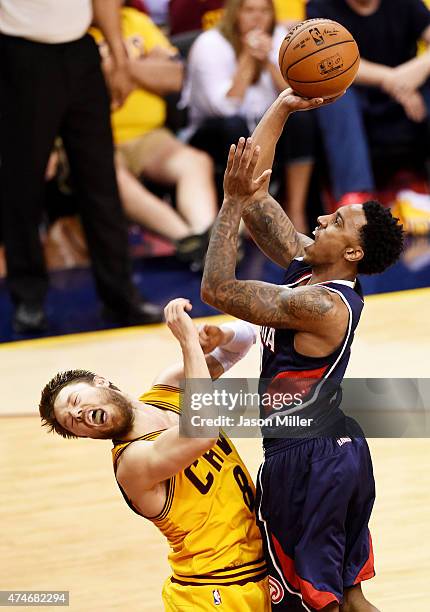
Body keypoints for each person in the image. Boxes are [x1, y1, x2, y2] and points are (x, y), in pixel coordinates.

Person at [201, 90, 404, 610]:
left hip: (307, 459)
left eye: (336, 223)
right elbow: (256, 193)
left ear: (353, 253)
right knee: (350, 597)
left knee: (308, 602)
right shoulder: (308, 270)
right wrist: (285, 105)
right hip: (337, 451)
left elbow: (218, 290)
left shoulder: (321, 305)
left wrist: (228, 200)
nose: (320, 221)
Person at [39, 298, 270, 611]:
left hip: (263, 570)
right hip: (212, 591)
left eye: (77, 400)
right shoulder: (131, 463)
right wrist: (188, 342)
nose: (78, 413)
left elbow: (241, 344)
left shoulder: (166, 390)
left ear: (101, 382)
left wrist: (221, 335)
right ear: (85, 435)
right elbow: (201, 431)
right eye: (72, 421)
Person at [0, 0, 162, 334]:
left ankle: (120, 295)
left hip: (81, 51)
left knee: (101, 180)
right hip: (19, 52)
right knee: (22, 185)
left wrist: (119, 57)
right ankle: (28, 297)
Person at [91, 4, 218, 269]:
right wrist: (146, 66)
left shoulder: (135, 21)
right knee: (106, 175)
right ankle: (188, 240)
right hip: (96, 140)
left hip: (151, 137)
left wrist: (120, 66)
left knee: (195, 163)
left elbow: (174, 76)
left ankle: (211, 243)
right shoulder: (73, 33)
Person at [182, 0, 317, 232]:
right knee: (235, 127)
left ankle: (296, 210)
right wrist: (247, 57)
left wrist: (266, 62)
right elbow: (225, 108)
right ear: (235, 13)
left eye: (264, 11)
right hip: (210, 134)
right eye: (250, 10)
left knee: (301, 121)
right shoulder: (210, 44)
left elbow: (295, 95)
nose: (257, 18)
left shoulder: (278, 39)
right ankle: (244, 217)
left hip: (261, 129)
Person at [307, 0, 430, 206]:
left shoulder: (407, 3)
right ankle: (355, 199)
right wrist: (391, 80)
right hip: (356, 99)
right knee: (336, 94)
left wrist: (411, 75)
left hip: (410, 97)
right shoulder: (321, 7)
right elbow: (330, 59)